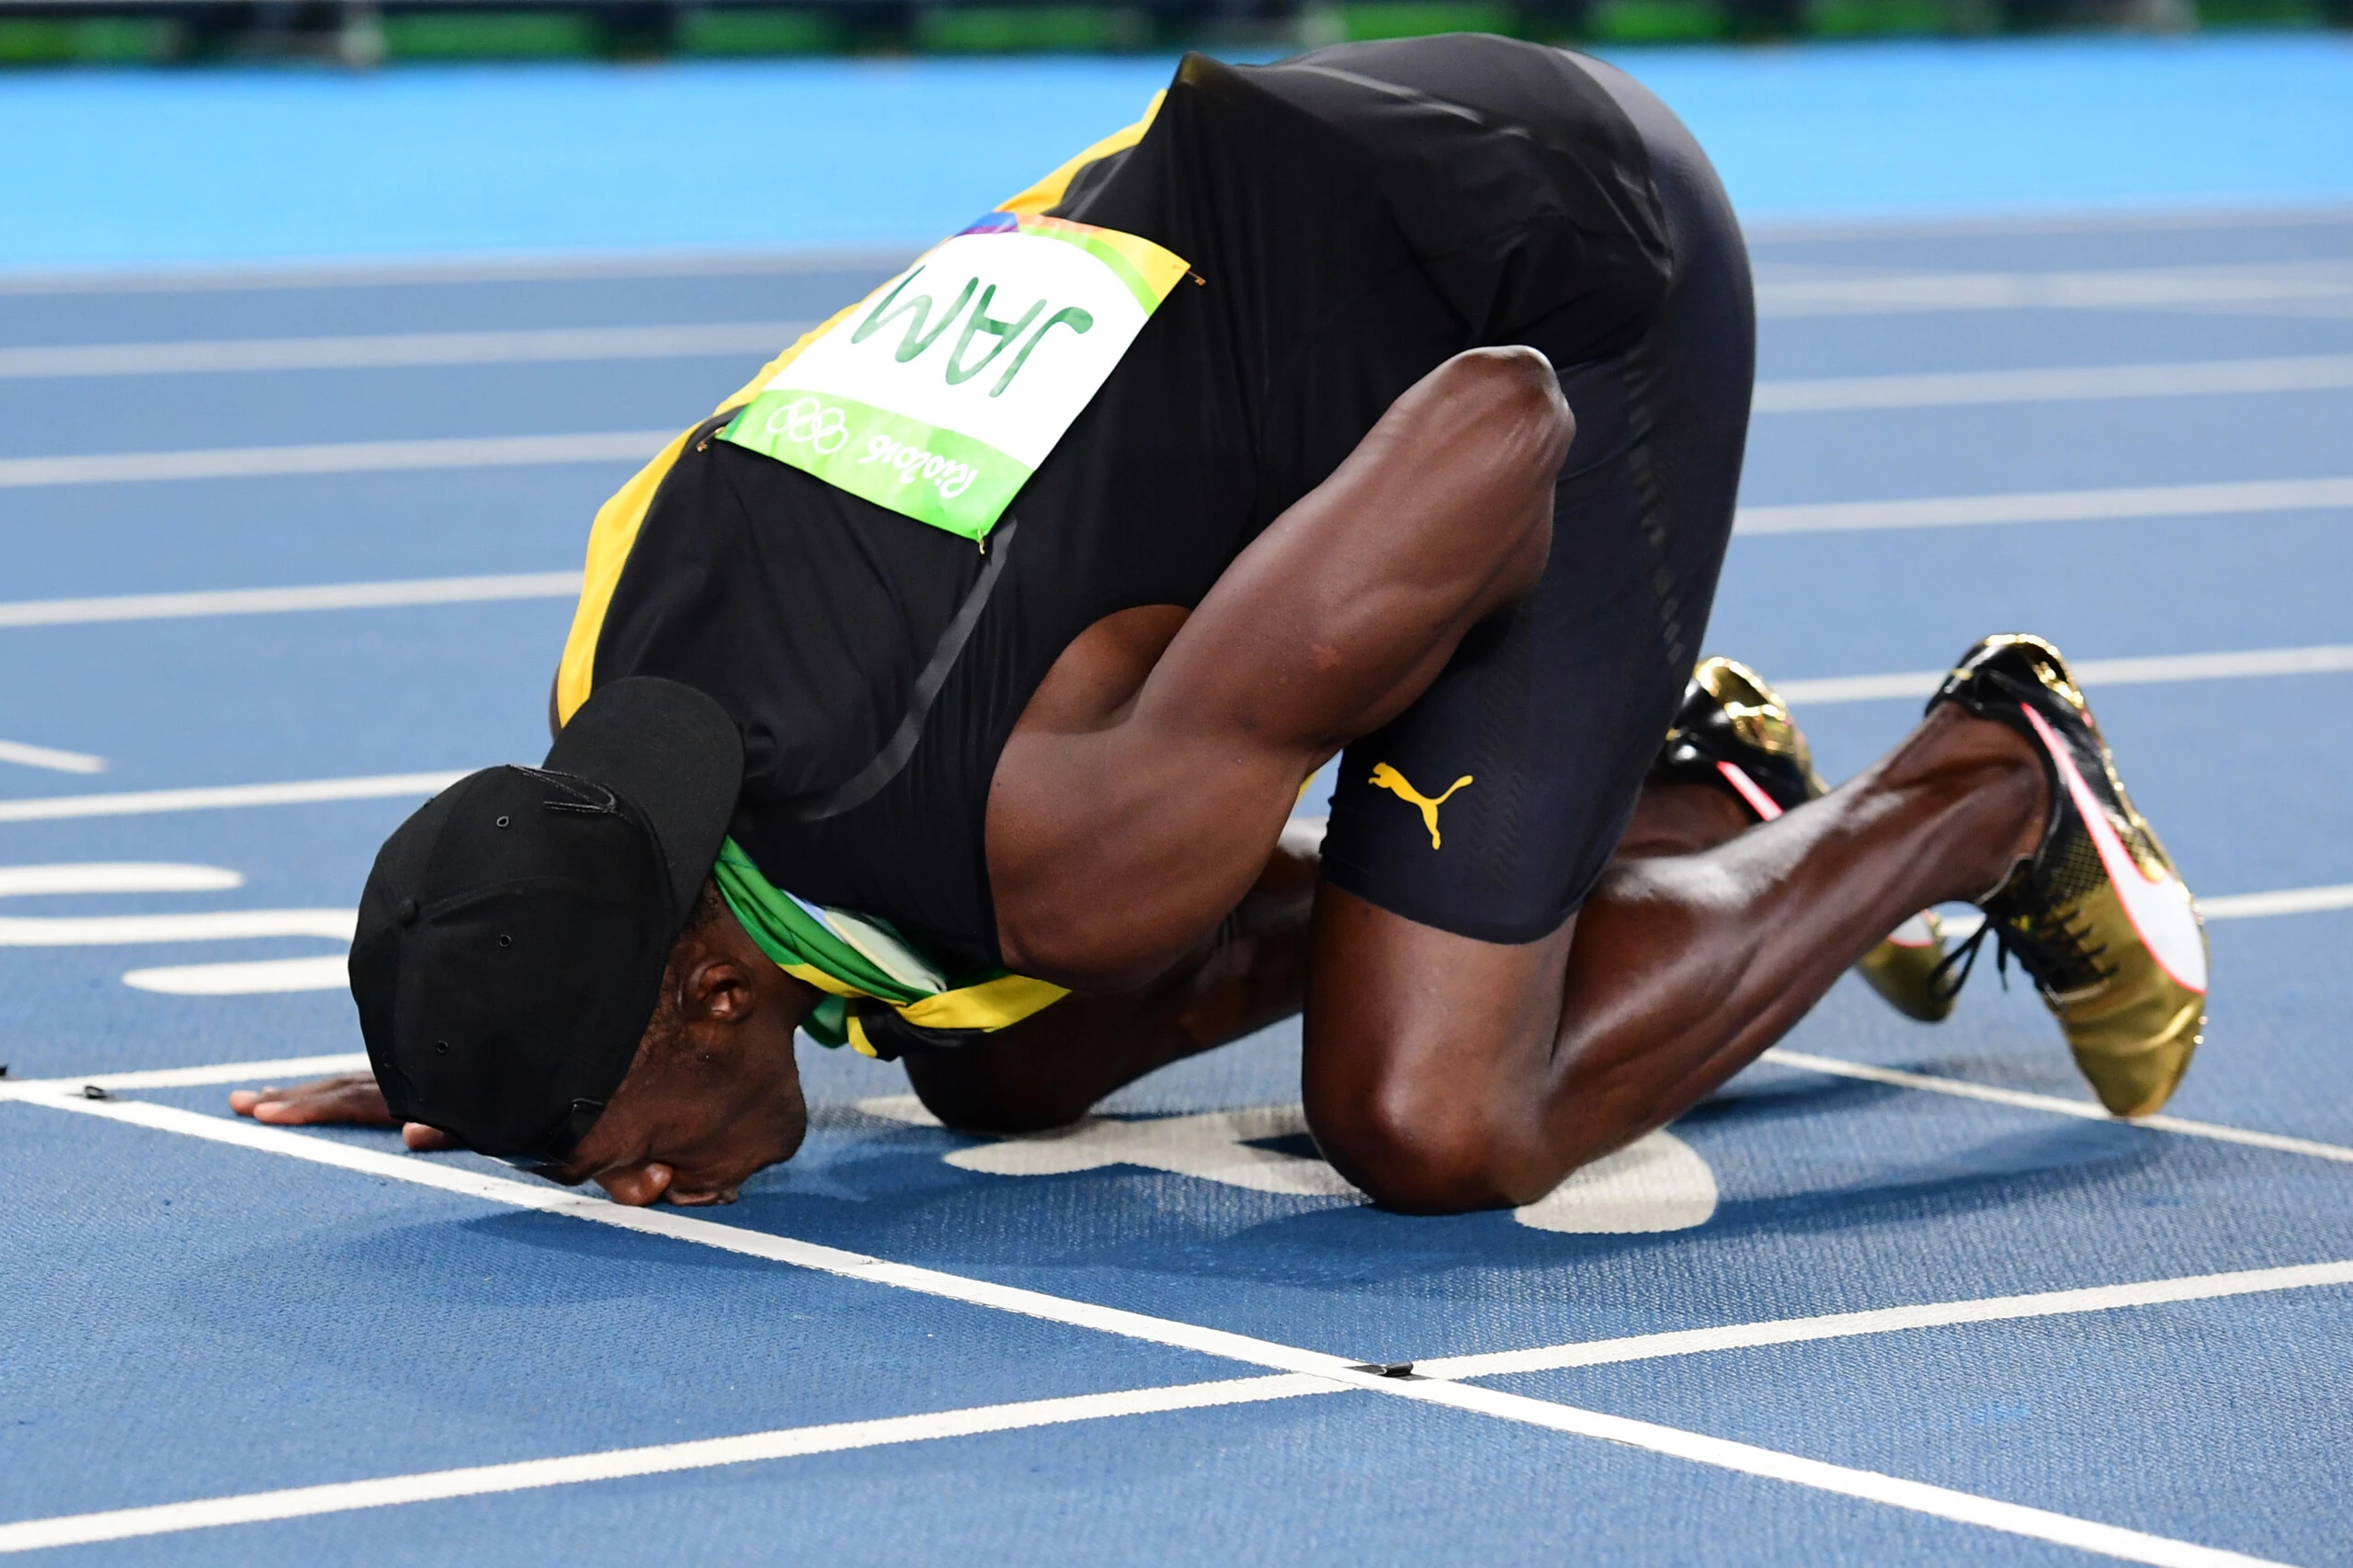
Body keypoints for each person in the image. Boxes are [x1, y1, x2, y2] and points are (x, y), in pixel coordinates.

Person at [231, 37, 2208, 1212]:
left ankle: (1974, 792)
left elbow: (1494, 431)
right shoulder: (611, 669)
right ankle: (1672, 809)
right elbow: (555, 918)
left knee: (1427, 1110)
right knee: (986, 1058)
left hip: (1555, 284)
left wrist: (1445, 744)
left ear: (716, 993)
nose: (636, 1185)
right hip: (1300, 188)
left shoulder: (1069, 850)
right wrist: (482, 1045)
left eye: (605, 1157)